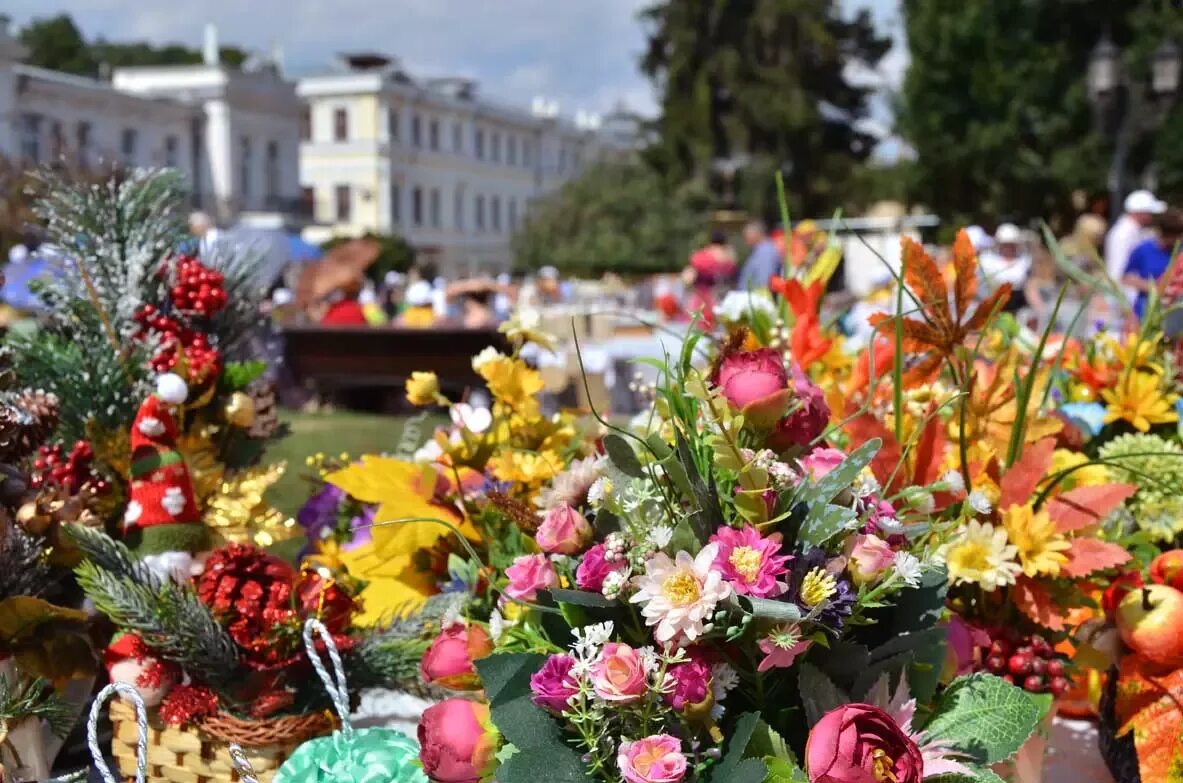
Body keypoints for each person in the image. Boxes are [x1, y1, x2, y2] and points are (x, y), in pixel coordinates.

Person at [1124, 208, 1183, 321]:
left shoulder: (1180, 252)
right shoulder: (1144, 249)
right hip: (1145, 310)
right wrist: (1154, 288)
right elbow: (1127, 277)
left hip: (1174, 313)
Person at [1105, 190, 1166, 287]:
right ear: (1141, 212)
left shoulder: (1137, 230)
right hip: (1125, 294)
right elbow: (1119, 269)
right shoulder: (1123, 234)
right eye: (1150, 213)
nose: (1152, 217)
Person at [685, 230, 737, 325]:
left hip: (702, 302)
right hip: (723, 302)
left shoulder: (702, 256)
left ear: (710, 242)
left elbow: (688, 277)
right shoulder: (730, 258)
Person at [980, 223, 1031, 312]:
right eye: (1005, 244)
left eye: (1011, 244)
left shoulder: (1025, 261)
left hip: (1019, 303)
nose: (1008, 247)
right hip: (995, 302)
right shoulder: (988, 260)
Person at [737, 220, 782, 290]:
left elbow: (764, 281)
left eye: (746, 234)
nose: (745, 238)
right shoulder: (759, 250)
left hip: (756, 298)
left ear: (757, 233)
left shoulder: (766, 251)